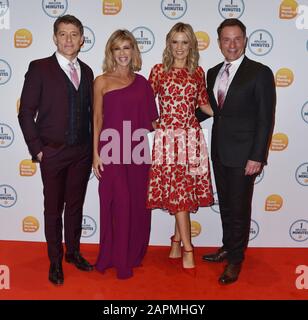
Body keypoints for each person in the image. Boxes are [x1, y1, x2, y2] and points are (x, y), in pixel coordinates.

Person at [197, 18, 276, 284]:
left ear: (245, 39)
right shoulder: (212, 72)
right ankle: (227, 247)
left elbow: (266, 118)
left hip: (244, 156)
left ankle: (235, 261)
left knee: (239, 208)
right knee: (228, 207)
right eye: (226, 39)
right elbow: (211, 111)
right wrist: (178, 114)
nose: (232, 44)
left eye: (237, 38)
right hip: (219, 151)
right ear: (219, 42)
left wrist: (257, 156)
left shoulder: (259, 72)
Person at [18, 15, 94, 285]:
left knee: (75, 206)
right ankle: (55, 261)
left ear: (82, 39)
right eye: (63, 34)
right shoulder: (39, 68)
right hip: (52, 153)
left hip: (81, 153)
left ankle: (73, 253)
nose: (69, 39)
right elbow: (26, 112)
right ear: (55, 37)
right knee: (53, 209)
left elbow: (89, 113)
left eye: (74, 34)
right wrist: (38, 150)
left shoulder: (87, 71)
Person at [146, 22, 214, 275]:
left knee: (182, 193)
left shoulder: (197, 72)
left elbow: (205, 105)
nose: (180, 47)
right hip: (167, 141)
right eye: (175, 41)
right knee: (180, 194)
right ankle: (187, 248)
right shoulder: (158, 71)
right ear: (168, 44)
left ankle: (175, 242)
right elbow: (144, 101)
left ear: (191, 45)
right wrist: (153, 122)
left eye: (185, 42)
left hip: (192, 139)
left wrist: (233, 111)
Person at [92, 29, 158, 279]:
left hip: (138, 152)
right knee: (117, 203)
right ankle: (113, 256)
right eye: (117, 48)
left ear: (133, 51)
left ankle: (130, 255)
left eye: (127, 47)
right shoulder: (102, 81)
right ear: (111, 52)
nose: (122, 53)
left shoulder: (143, 83)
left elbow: (152, 121)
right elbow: (97, 119)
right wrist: (95, 154)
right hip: (110, 150)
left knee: (137, 205)